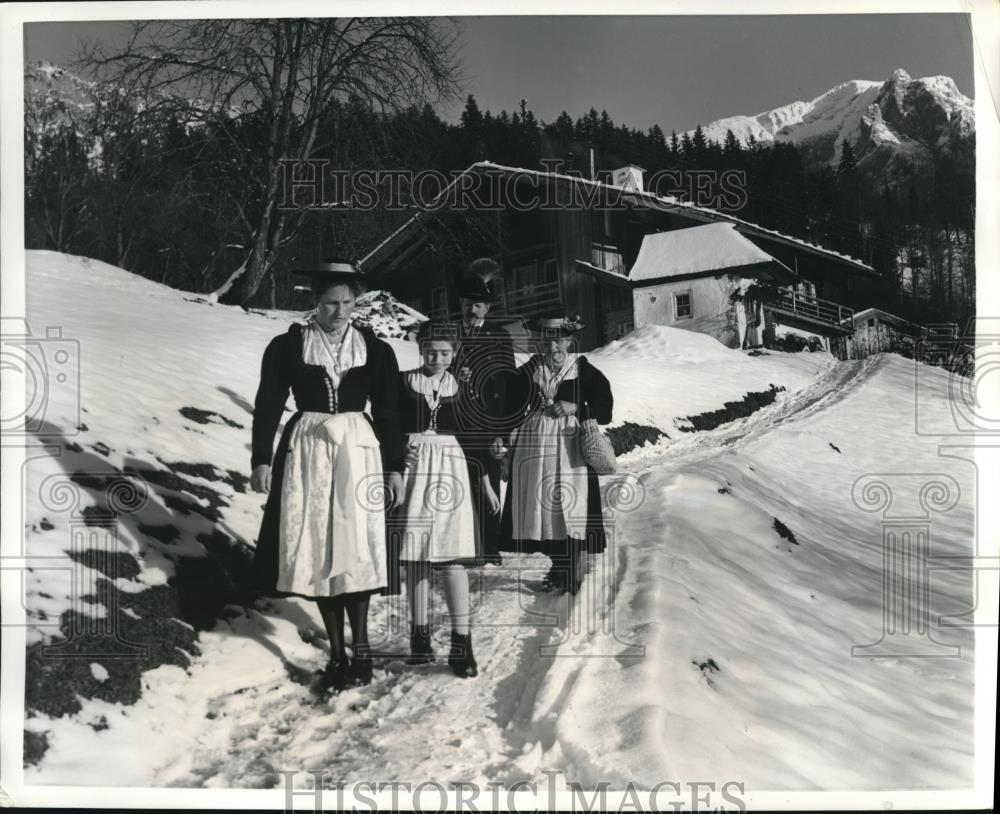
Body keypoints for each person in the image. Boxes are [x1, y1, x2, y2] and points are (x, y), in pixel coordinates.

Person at [250, 259, 405, 697]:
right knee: (319, 544)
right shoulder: (288, 346)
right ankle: (337, 652)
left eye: (347, 303)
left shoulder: (376, 350)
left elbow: (389, 412)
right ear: (315, 303)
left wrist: (395, 467)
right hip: (309, 453)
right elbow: (267, 404)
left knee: (355, 545)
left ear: (357, 302)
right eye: (330, 303)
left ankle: (364, 650)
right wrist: (261, 459)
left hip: (358, 452)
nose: (339, 312)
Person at [390, 319, 486, 678]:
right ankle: (420, 638)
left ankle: (462, 644)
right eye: (431, 350)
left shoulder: (460, 388)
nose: (437, 357)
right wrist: (399, 452)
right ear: (420, 349)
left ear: (454, 353)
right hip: (413, 470)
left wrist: (487, 480)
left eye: (445, 352)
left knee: (451, 555)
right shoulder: (403, 382)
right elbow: (386, 423)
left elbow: (473, 434)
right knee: (415, 555)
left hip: (450, 468)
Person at [494, 315, 614, 595]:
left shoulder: (583, 370)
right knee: (543, 509)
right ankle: (558, 562)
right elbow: (509, 405)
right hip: (535, 450)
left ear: (570, 341)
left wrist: (577, 408)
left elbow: (605, 410)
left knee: (570, 507)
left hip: (572, 450)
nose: (553, 346)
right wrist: (506, 433)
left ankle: (570, 568)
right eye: (547, 340)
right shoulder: (529, 370)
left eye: (559, 339)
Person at [451, 261, 516, 564]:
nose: (472, 311)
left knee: (488, 480)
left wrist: (503, 432)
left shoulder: (500, 335)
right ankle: (464, 545)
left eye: (477, 305)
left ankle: (490, 546)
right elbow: (431, 371)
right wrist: (454, 376)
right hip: (454, 423)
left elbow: (508, 385)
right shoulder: (448, 334)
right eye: (467, 304)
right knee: (459, 481)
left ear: (487, 308)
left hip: (488, 423)